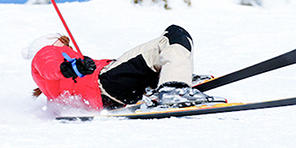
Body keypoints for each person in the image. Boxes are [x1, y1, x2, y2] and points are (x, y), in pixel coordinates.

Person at [24, 25, 217, 111]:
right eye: (64, 42)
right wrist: (72, 68)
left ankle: (168, 80)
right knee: (174, 35)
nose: (69, 47)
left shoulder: (51, 88)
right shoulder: (47, 53)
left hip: (110, 97)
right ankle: (174, 86)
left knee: (147, 60)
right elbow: (51, 64)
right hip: (106, 83)